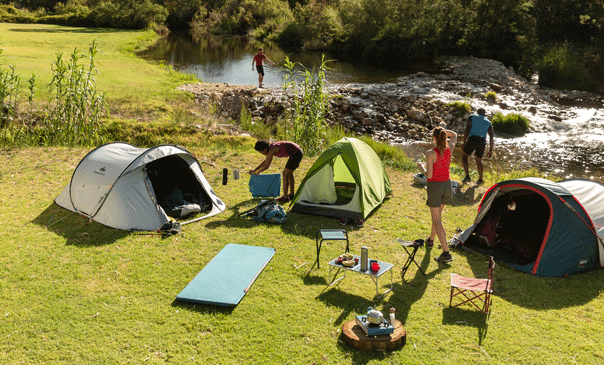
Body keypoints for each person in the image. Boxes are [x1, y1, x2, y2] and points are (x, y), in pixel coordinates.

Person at [417, 127, 457, 263]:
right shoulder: (449, 148)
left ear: (434, 138)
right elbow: (455, 135)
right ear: (445, 137)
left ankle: (446, 253)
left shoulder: (430, 153)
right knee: (437, 216)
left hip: (435, 186)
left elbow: (429, 175)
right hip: (447, 184)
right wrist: (444, 131)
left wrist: (421, 167)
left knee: (437, 220)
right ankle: (431, 240)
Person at [461, 108, 494, 185]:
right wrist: (490, 150)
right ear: (484, 114)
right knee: (478, 160)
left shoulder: (472, 116)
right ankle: (480, 179)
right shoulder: (488, 122)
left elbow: (468, 128)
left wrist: (464, 141)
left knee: (464, 156)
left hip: (473, 139)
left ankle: (467, 176)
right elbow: (491, 136)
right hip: (482, 141)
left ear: (477, 112)